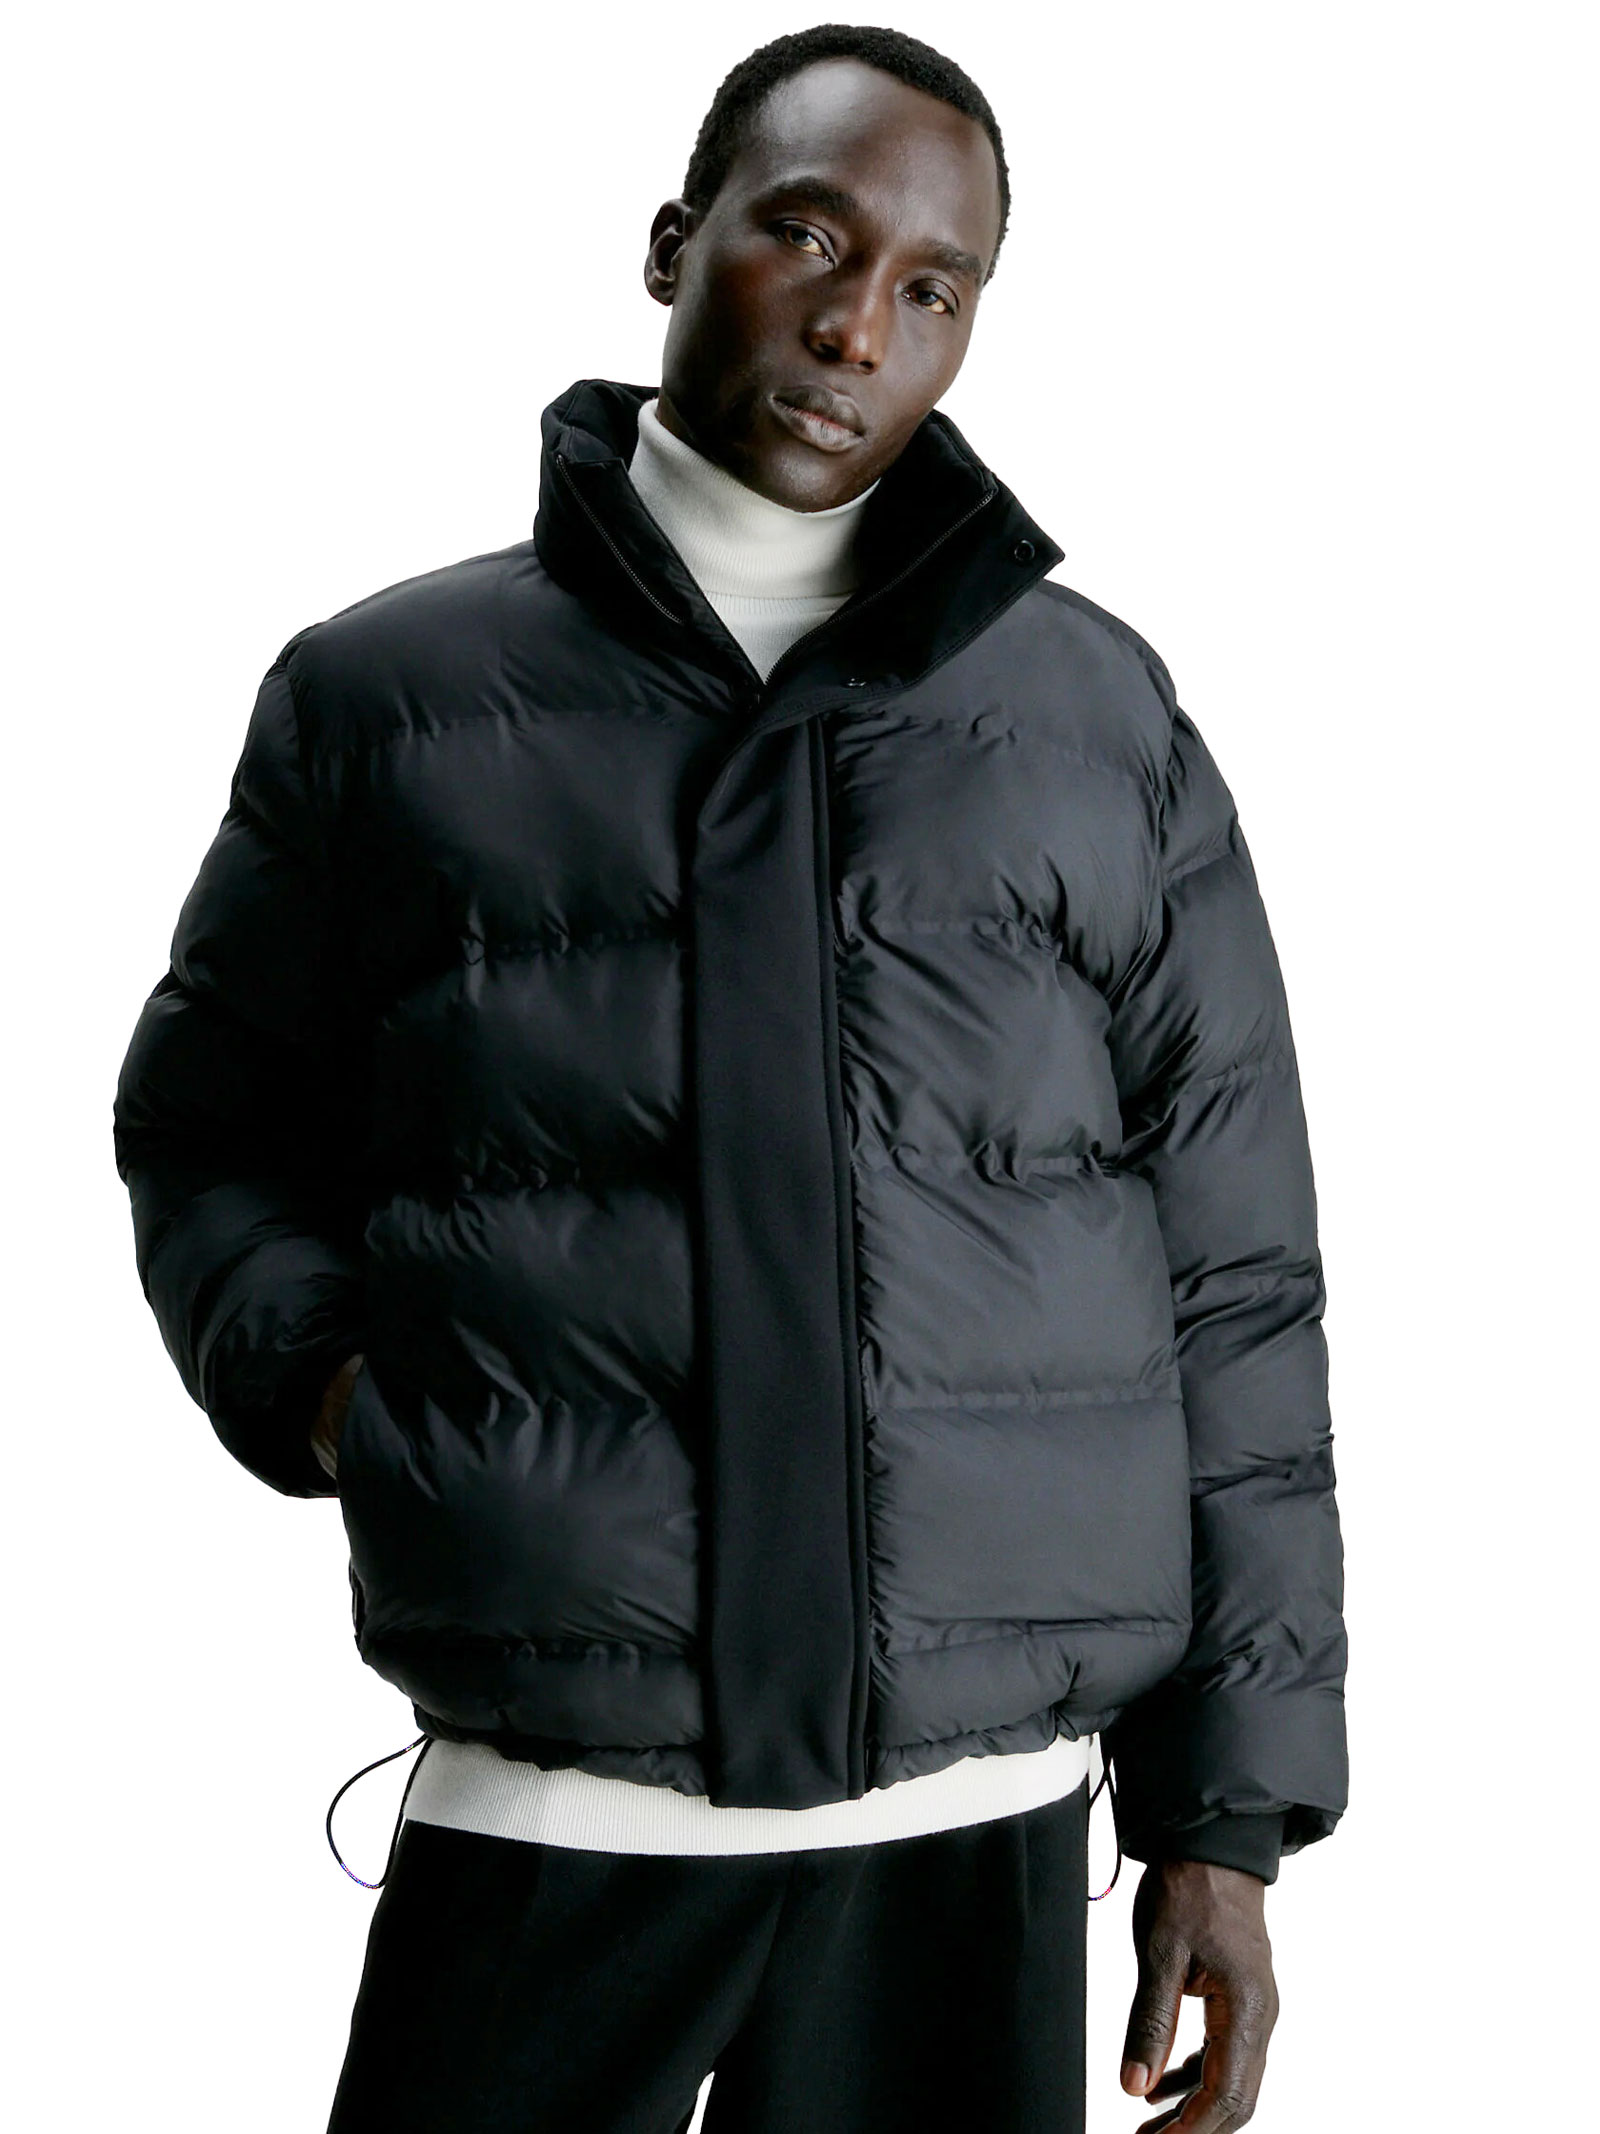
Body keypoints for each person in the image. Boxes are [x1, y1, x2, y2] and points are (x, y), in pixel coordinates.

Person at [112, 22, 1347, 2134]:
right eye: (810, 234)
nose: (860, 324)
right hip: (554, 1803)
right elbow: (208, 1132)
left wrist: (1221, 1822)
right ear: (675, 243)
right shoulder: (386, 698)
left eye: (934, 285)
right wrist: (345, 1403)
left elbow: (1233, 1280)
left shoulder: (1093, 717)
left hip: (974, 1835)